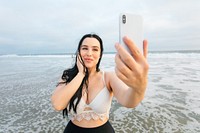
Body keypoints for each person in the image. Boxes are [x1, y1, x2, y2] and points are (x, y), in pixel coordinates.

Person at [51, 33, 149, 133]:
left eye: (95, 49)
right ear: (79, 52)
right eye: (85, 48)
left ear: (100, 54)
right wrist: (81, 74)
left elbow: (129, 101)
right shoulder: (68, 77)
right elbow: (57, 105)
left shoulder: (108, 77)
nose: (89, 53)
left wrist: (139, 88)